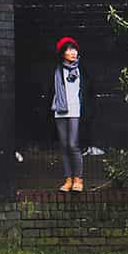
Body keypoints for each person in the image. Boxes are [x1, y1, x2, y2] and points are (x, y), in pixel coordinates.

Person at [51, 35, 86, 193]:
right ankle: (68, 179)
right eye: (69, 50)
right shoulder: (57, 71)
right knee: (64, 146)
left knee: (73, 144)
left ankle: (78, 178)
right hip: (60, 111)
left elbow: (86, 92)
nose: (73, 52)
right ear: (63, 53)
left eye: (74, 49)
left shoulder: (80, 70)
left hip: (74, 110)